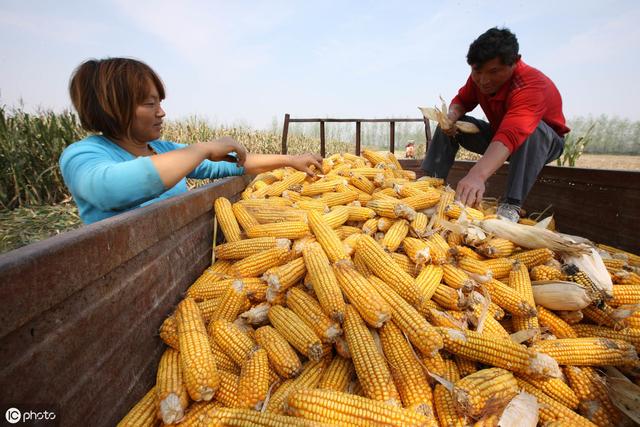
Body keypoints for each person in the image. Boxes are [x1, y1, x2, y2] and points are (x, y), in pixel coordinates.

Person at [60, 57, 322, 224]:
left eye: (160, 103)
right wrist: (203, 148)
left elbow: (235, 164)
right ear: (112, 107)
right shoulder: (82, 155)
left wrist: (290, 160)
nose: (161, 112)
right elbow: (109, 191)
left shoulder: (163, 150)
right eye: (150, 104)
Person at [421, 27, 569, 222]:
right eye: (477, 71)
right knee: (452, 125)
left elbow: (512, 133)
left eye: (493, 72)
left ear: (515, 62)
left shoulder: (531, 85)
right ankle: (428, 186)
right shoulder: (480, 78)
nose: (483, 80)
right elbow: (462, 100)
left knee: (534, 130)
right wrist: (450, 117)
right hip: (499, 135)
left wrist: (477, 175)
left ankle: (511, 205)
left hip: (541, 143)